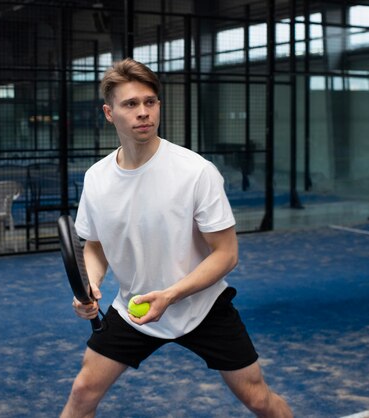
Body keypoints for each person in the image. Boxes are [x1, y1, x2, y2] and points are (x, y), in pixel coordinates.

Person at [61, 58, 293, 417]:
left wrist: (170, 295)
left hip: (202, 308)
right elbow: (95, 245)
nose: (143, 113)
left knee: (258, 398)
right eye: (130, 104)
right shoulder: (96, 178)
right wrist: (90, 284)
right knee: (82, 393)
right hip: (133, 308)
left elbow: (227, 254)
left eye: (150, 102)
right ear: (109, 113)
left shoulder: (196, 172)